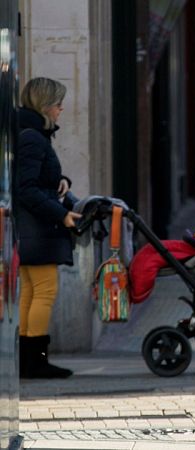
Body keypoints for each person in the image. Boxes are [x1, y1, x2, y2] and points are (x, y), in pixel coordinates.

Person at [16, 77, 82, 379]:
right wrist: (62, 215)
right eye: (57, 104)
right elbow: (26, 187)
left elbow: (36, 177)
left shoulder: (28, 133)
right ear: (45, 106)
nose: (61, 109)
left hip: (29, 227)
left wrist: (61, 180)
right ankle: (36, 361)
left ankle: (27, 360)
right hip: (37, 227)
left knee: (30, 291)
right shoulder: (33, 136)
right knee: (43, 291)